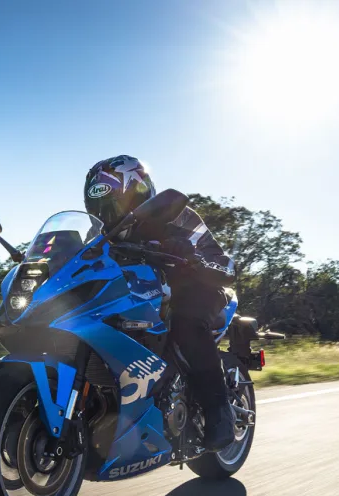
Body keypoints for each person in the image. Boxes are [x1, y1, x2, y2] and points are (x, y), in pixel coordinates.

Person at [83, 155, 236, 452]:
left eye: (114, 201)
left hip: (195, 290)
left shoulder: (179, 217)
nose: (108, 211)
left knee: (186, 322)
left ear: (138, 192)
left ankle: (220, 413)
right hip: (141, 296)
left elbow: (224, 264)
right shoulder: (99, 236)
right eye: (100, 205)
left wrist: (192, 256)